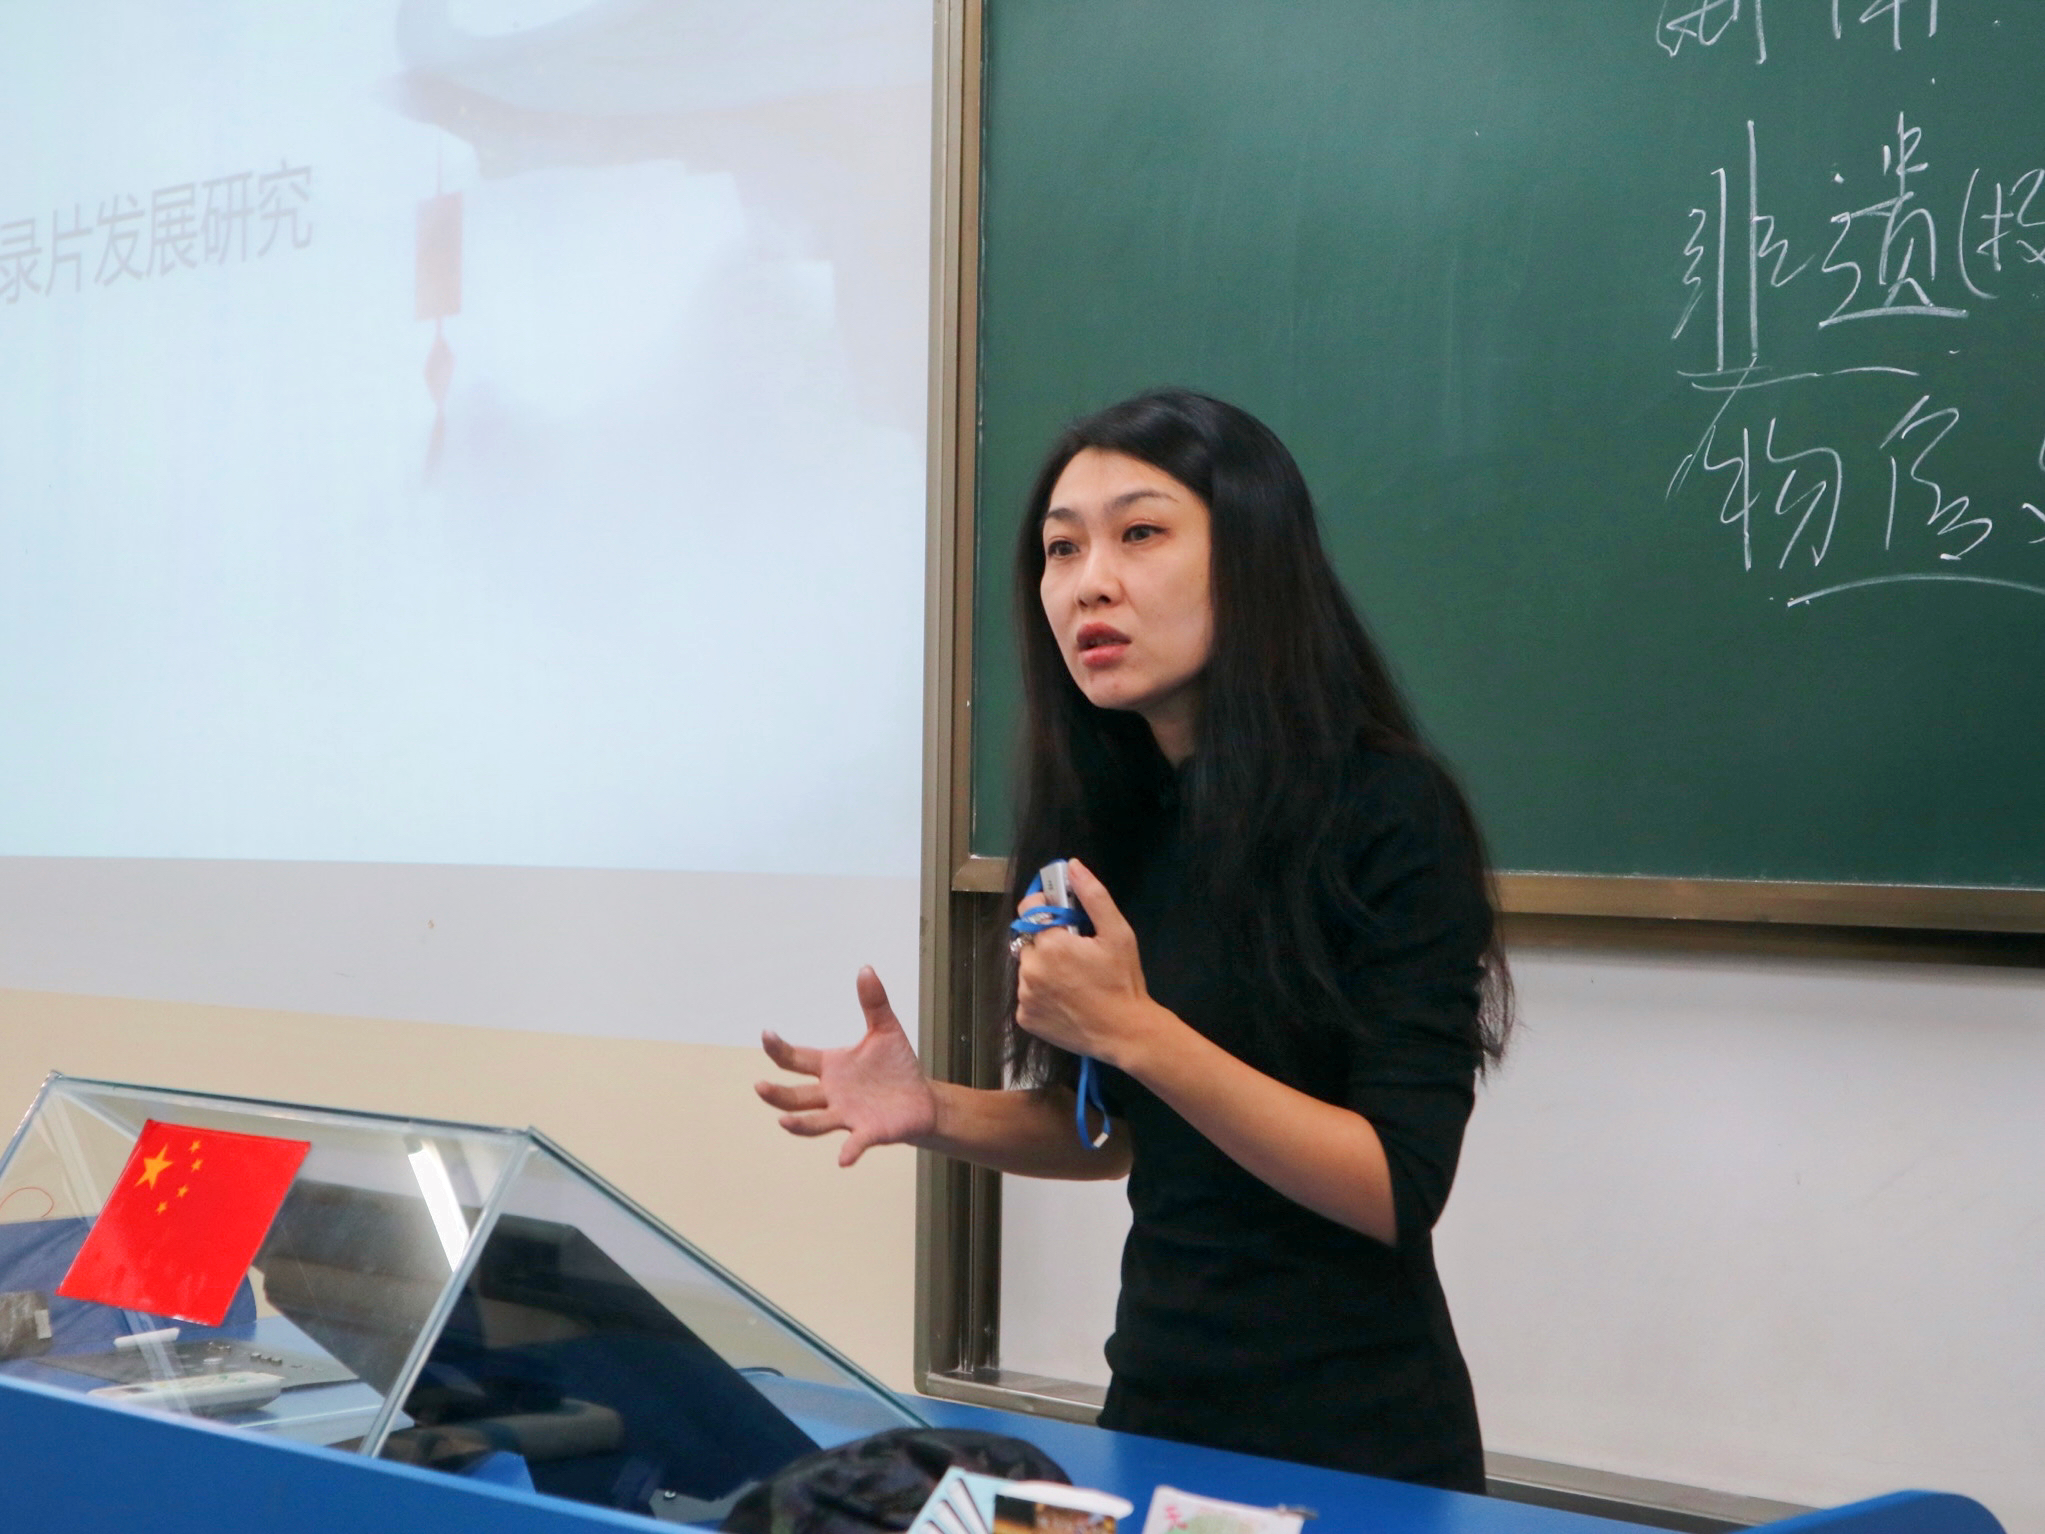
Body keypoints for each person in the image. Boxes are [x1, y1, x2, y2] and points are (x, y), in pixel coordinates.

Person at [756, 389, 1513, 1493]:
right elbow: (1118, 1132)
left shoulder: (1388, 810)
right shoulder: (1113, 816)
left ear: (1253, 557)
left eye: (1140, 533)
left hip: (1353, 1443)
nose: (1088, 583)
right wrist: (933, 1110)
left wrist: (1135, 1030)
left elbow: (1395, 1186)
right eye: (1061, 549)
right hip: (1153, 1414)